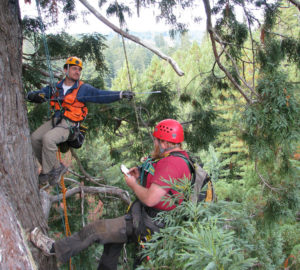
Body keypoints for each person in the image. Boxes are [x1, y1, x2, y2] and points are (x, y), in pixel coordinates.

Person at [30, 119, 192, 269]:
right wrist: (141, 171)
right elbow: (165, 183)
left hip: (152, 224)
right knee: (112, 242)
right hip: (154, 221)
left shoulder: (171, 163)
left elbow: (150, 199)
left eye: (156, 140)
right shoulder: (179, 158)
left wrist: (133, 185)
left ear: (164, 142)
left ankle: (53, 249)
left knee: (95, 230)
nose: (155, 143)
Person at [26, 56, 134, 186]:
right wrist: (33, 96)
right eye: (74, 69)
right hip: (56, 120)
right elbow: (41, 93)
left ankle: (48, 172)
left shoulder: (83, 89)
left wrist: (120, 94)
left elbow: (100, 95)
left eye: (79, 70)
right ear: (66, 69)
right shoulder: (57, 87)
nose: (77, 72)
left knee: (48, 139)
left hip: (70, 125)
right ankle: (54, 168)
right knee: (35, 138)